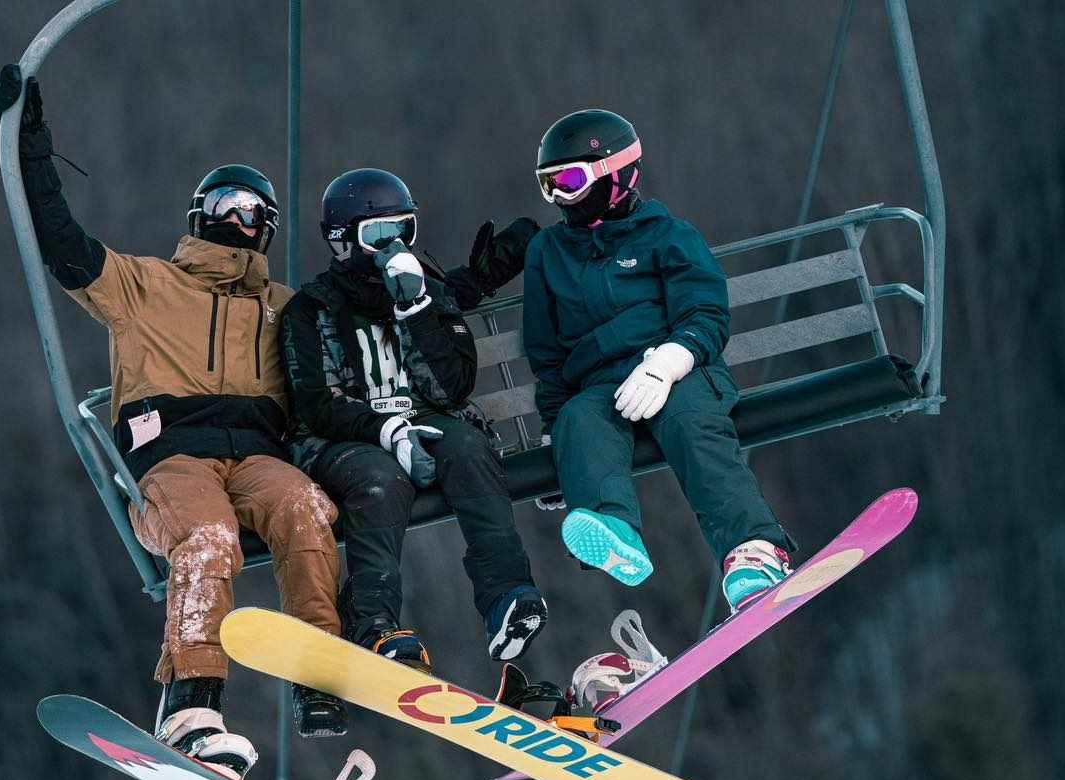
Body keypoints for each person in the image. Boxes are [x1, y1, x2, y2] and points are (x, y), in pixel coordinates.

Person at [0, 66, 341, 778]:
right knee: (208, 537)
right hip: (172, 464)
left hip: (257, 459)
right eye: (223, 202)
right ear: (198, 213)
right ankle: (192, 703)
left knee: (305, 505)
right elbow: (60, 241)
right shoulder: (144, 284)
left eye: (250, 208)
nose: (235, 217)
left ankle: (317, 667)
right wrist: (27, 144)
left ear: (266, 227)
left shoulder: (285, 305)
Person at [279, 168, 545, 737]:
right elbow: (316, 403)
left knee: (470, 450)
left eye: (405, 230)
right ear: (344, 241)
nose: (394, 248)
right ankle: (374, 623)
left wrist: (419, 310)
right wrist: (385, 431)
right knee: (379, 482)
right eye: (380, 236)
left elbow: (452, 389)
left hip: (424, 418)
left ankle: (506, 594)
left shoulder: (425, 288)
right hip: (344, 437)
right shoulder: (312, 310)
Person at [522, 109, 796, 615]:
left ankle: (754, 549)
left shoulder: (666, 235)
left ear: (616, 174)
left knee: (692, 423)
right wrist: (556, 435)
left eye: (570, 181)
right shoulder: (548, 252)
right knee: (581, 420)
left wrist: (670, 360)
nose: (560, 197)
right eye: (549, 185)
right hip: (604, 388)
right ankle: (612, 529)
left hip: (679, 369)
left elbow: (705, 312)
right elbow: (548, 353)